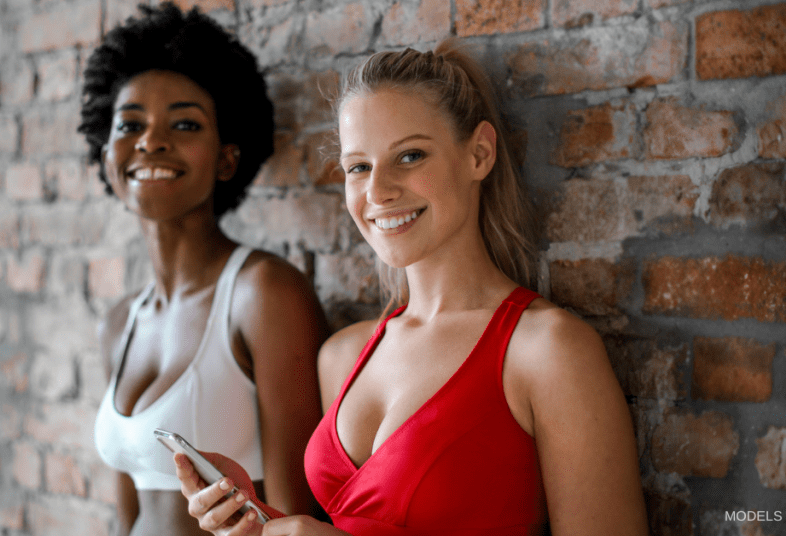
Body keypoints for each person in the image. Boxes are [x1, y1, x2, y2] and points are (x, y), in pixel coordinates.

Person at [174, 40, 648, 535]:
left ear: (479, 154)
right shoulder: (341, 355)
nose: (378, 191)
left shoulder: (547, 351)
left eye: (410, 156)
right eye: (358, 167)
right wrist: (255, 519)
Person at [78, 4, 329, 535]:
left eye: (185, 123)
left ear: (227, 159)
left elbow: (299, 520)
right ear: (106, 157)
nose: (151, 140)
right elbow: (127, 517)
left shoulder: (264, 293)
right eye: (131, 125)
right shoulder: (118, 323)